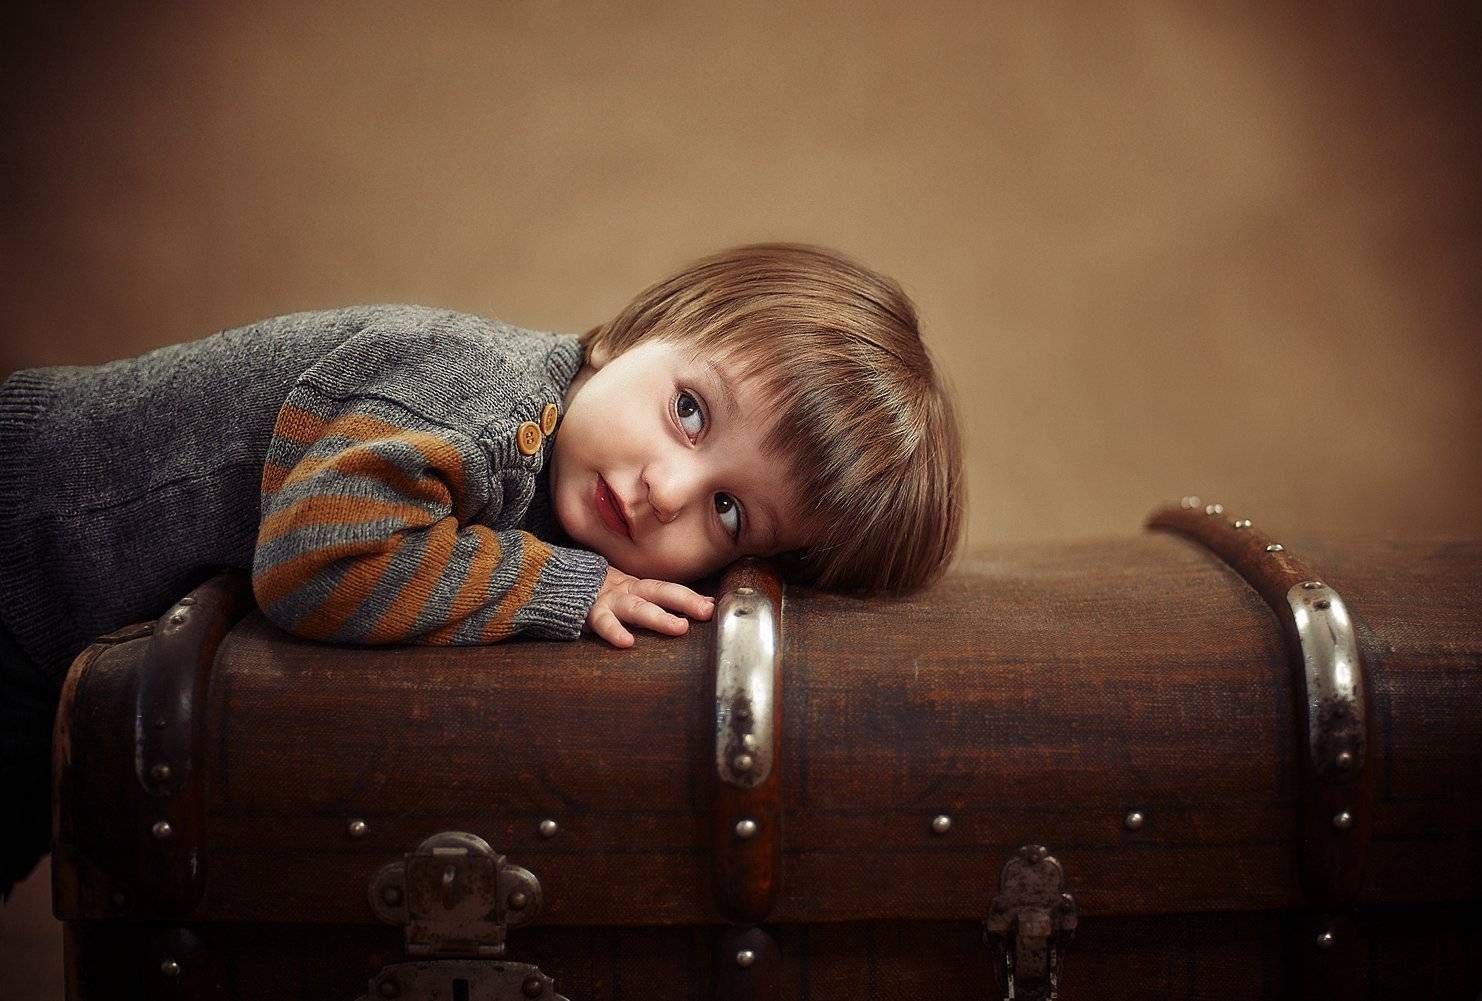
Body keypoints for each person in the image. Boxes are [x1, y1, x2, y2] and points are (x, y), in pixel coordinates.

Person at [0, 242, 964, 897]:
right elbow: (315, 560)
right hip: (24, 531)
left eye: (728, 511)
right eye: (690, 412)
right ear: (636, 333)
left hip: (52, 658)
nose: (666, 489)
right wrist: (566, 587)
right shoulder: (484, 398)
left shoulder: (569, 478)